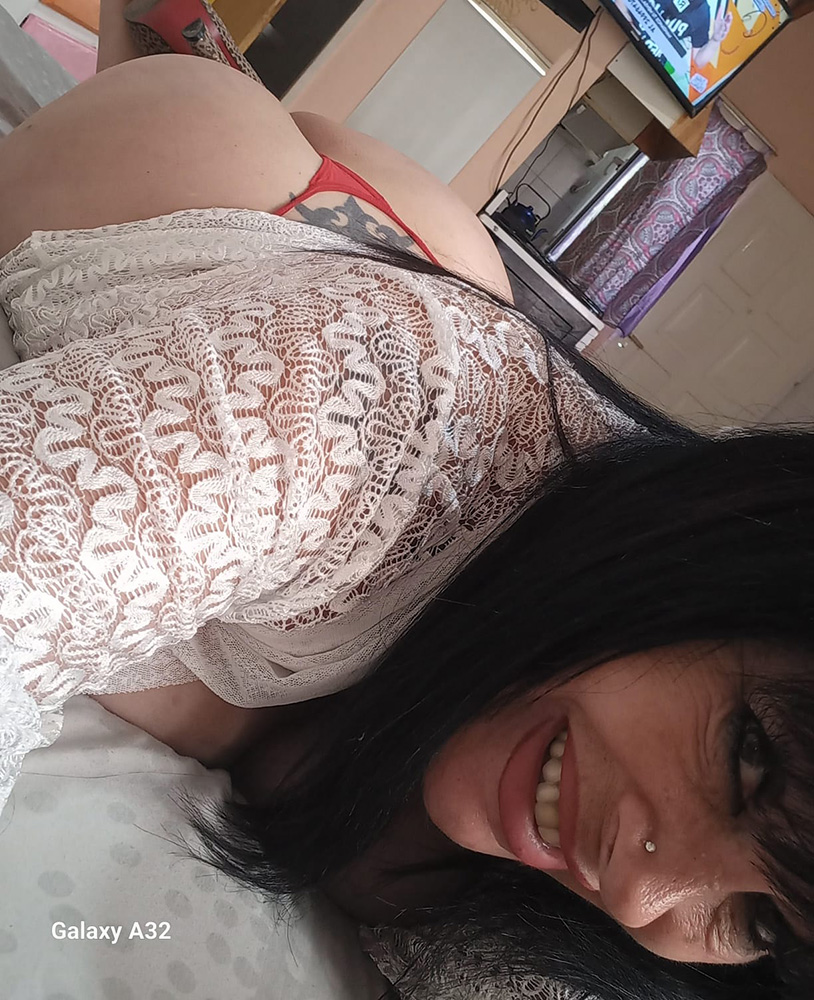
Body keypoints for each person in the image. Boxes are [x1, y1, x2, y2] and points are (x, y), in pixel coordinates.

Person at [0, 4, 811, 999]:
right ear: (729, 555)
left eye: (759, 920)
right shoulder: (380, 408)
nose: (642, 890)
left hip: (413, 281)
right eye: (747, 760)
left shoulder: (556, 764)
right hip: (241, 201)